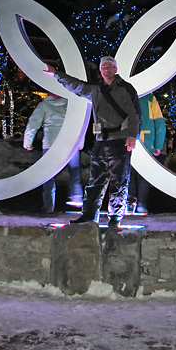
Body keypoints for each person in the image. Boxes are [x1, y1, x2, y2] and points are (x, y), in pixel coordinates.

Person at [45, 56, 140, 228]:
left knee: (119, 181)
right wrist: (56, 74)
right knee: (95, 180)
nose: (106, 70)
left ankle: (115, 218)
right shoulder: (95, 89)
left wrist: (132, 135)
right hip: (101, 141)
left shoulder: (126, 89)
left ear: (115, 69)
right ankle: (89, 215)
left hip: (119, 140)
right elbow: (77, 86)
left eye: (110, 67)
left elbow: (135, 114)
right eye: (104, 67)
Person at [23, 93, 82, 213]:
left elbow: (32, 125)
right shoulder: (70, 105)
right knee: (74, 170)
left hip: (51, 143)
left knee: (48, 176)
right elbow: (80, 123)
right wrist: (80, 143)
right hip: (70, 142)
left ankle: (49, 205)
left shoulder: (44, 105)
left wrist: (28, 143)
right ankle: (77, 197)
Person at [127, 93, 166, 215]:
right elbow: (159, 122)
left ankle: (129, 202)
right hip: (147, 142)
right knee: (145, 176)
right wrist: (158, 144)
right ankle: (141, 205)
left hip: (129, 140)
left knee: (129, 173)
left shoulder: (125, 93)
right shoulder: (150, 98)